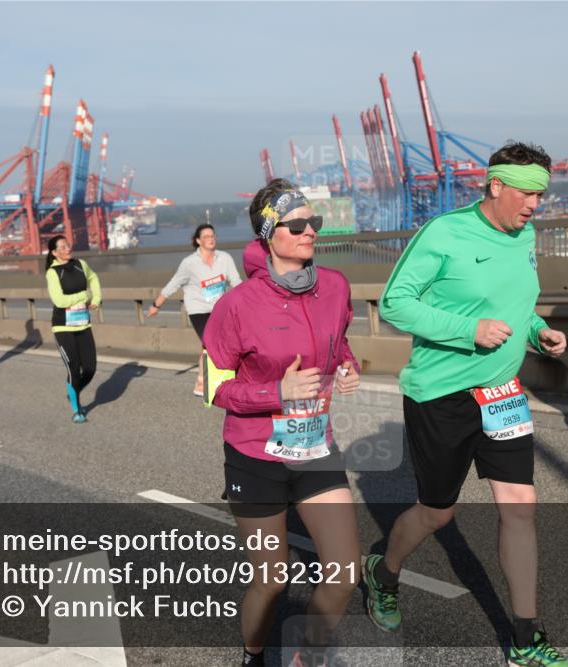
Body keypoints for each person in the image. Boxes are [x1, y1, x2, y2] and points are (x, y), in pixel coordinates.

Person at [368, 142, 568, 666]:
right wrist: (470, 330)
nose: (534, 204)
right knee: (437, 513)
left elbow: (516, 307)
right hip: (441, 396)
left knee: (520, 508)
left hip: (502, 394)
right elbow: (395, 302)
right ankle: (383, 572)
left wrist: (538, 332)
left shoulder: (524, 235)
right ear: (495, 185)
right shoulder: (445, 233)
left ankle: (526, 640)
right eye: (526, 193)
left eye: (541, 195)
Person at [202, 179, 361, 667]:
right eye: (297, 225)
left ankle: (306, 657)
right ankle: (253, 655)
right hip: (254, 456)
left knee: (345, 574)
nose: (310, 230)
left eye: (314, 221)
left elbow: (340, 342)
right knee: (272, 580)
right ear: (269, 234)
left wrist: (348, 366)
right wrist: (276, 392)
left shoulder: (335, 286)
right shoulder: (236, 305)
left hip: (315, 447)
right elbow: (213, 388)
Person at [147, 224, 242, 396]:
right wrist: (156, 305)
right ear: (198, 241)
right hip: (198, 309)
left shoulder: (225, 258)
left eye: (213, 236)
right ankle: (208, 382)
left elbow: (236, 282)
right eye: (206, 237)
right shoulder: (189, 263)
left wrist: (248, 301)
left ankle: (203, 382)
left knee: (214, 345)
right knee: (210, 343)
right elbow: (174, 283)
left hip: (219, 309)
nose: (211, 239)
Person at [45, 235, 101, 424]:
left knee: (90, 368)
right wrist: (84, 295)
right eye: (62, 247)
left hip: (83, 324)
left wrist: (96, 298)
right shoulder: (53, 272)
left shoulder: (80, 264)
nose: (67, 249)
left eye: (67, 245)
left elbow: (93, 278)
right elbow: (59, 301)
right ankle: (77, 411)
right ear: (54, 252)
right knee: (74, 369)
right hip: (63, 327)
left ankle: (73, 391)